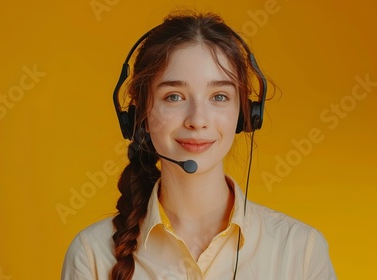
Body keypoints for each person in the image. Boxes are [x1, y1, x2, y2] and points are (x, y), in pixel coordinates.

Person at [61, 11, 336, 280]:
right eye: (174, 96)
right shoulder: (92, 255)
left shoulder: (301, 252)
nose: (197, 120)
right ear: (139, 115)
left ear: (245, 115)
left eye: (218, 96)